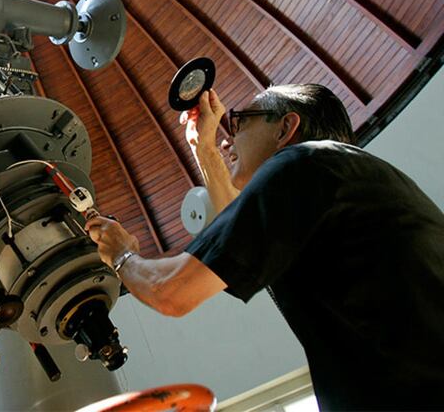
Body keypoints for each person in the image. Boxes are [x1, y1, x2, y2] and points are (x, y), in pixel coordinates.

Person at [87, 84, 444, 410]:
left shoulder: (302, 162)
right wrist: (204, 149)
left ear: (286, 127)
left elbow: (171, 291)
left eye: (239, 122)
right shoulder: (336, 176)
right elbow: (239, 242)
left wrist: (122, 253)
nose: (228, 141)